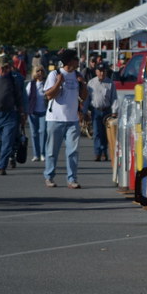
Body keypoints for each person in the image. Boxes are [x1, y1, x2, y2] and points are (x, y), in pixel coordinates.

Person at [43, 49, 87, 189]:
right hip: (55, 119)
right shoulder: (55, 74)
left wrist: (83, 84)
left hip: (72, 119)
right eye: (76, 59)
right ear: (69, 61)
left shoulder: (77, 75)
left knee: (73, 151)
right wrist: (58, 82)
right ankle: (49, 177)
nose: (78, 61)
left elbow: (83, 97)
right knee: (52, 151)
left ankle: (72, 179)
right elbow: (49, 95)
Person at [86, 63, 116, 162]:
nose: (101, 73)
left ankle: (104, 152)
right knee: (96, 133)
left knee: (105, 133)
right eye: (99, 71)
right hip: (96, 111)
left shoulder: (110, 83)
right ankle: (97, 153)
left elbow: (114, 98)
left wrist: (114, 111)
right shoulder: (91, 83)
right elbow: (87, 98)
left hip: (107, 111)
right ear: (96, 72)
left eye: (103, 71)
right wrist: (84, 111)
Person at [25, 66, 49, 161]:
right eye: (38, 71)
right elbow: (26, 97)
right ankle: (36, 154)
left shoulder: (46, 83)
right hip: (33, 112)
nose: (40, 73)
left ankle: (43, 153)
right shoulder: (31, 84)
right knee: (34, 133)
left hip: (44, 112)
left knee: (43, 132)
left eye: (42, 71)